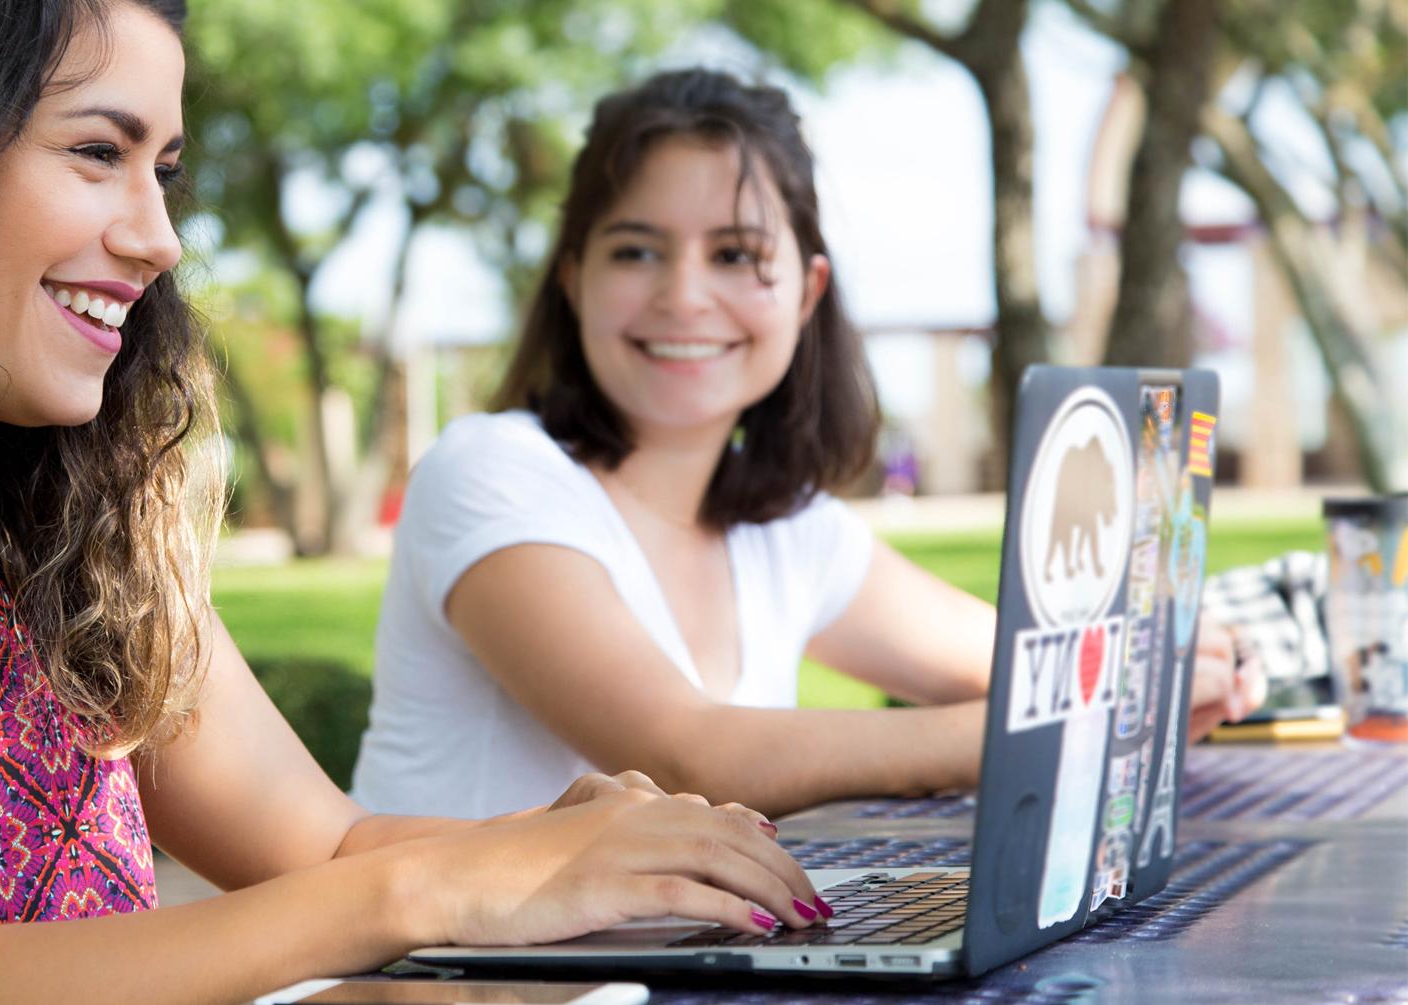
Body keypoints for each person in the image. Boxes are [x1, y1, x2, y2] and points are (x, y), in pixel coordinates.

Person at [0, 7, 828, 1001]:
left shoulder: (52, 526)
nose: (158, 237)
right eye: (98, 152)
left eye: (161, 170)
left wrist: (587, 858)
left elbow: (323, 840)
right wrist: (439, 892)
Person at [351, 70, 1262, 823]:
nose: (684, 296)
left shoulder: (787, 530)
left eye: (736, 254)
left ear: (805, 289)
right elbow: (689, 753)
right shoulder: (489, 473)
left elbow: (1031, 655)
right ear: (573, 277)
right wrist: (1079, 715)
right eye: (634, 252)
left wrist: (1173, 657)